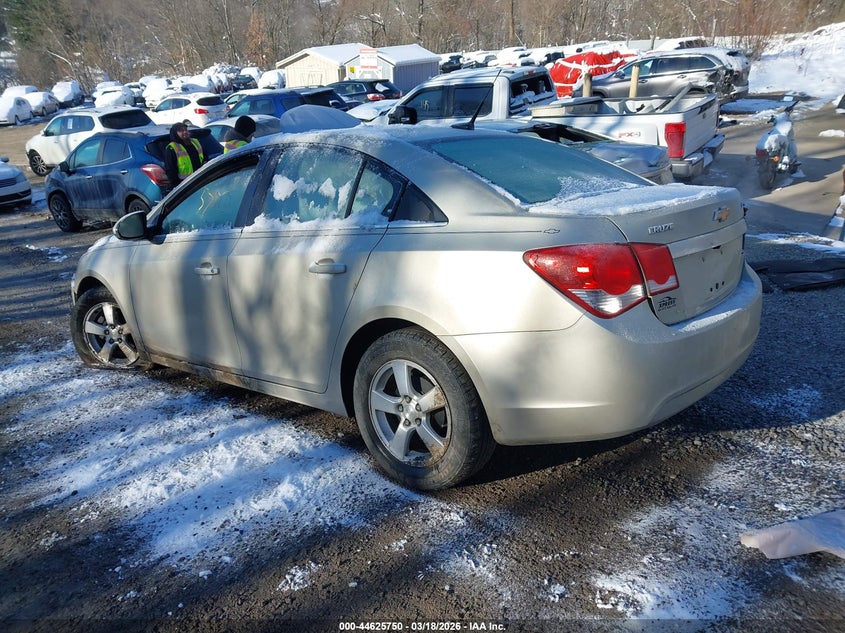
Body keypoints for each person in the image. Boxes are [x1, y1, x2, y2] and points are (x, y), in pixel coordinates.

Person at [164, 121, 204, 187]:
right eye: (181, 131)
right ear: (175, 134)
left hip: (200, 178)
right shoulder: (171, 148)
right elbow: (170, 170)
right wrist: (176, 186)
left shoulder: (195, 141)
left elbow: (204, 156)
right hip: (185, 184)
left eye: (185, 130)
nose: (185, 132)